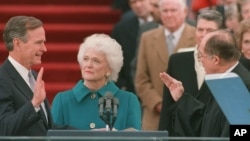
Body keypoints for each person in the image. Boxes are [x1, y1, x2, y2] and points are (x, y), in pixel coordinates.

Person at [159, 29, 250, 137]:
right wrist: (182, 99)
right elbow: (207, 122)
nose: (200, 61)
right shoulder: (225, 81)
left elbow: (239, 133)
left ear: (216, 60)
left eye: (201, 56)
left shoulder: (240, 88)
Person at [51, 33, 141, 131]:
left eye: (96, 61)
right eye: (85, 59)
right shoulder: (62, 100)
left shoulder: (128, 100)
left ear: (109, 69)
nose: (88, 65)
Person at [158, 10, 224, 136]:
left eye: (209, 30)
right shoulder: (177, 61)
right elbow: (167, 107)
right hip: (181, 135)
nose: (203, 35)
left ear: (221, 33)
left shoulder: (230, 64)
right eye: (200, 30)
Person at [135, 0, 196, 130]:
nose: (168, 15)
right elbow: (141, 80)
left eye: (173, 10)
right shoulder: (147, 38)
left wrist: (184, 102)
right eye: (165, 11)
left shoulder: (197, 36)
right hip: (154, 118)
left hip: (188, 116)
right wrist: (157, 103)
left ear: (185, 12)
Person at [0, 16, 53, 136]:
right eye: (39, 42)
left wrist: (90, 134)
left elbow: (47, 127)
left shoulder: (33, 75)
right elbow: (3, 129)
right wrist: (34, 104)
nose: (44, 49)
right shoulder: (2, 79)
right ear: (17, 44)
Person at [111, 0, 152, 93]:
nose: (138, 5)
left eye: (141, 1)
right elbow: (114, 59)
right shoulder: (121, 29)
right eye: (133, 2)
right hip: (131, 87)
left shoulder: (164, 23)